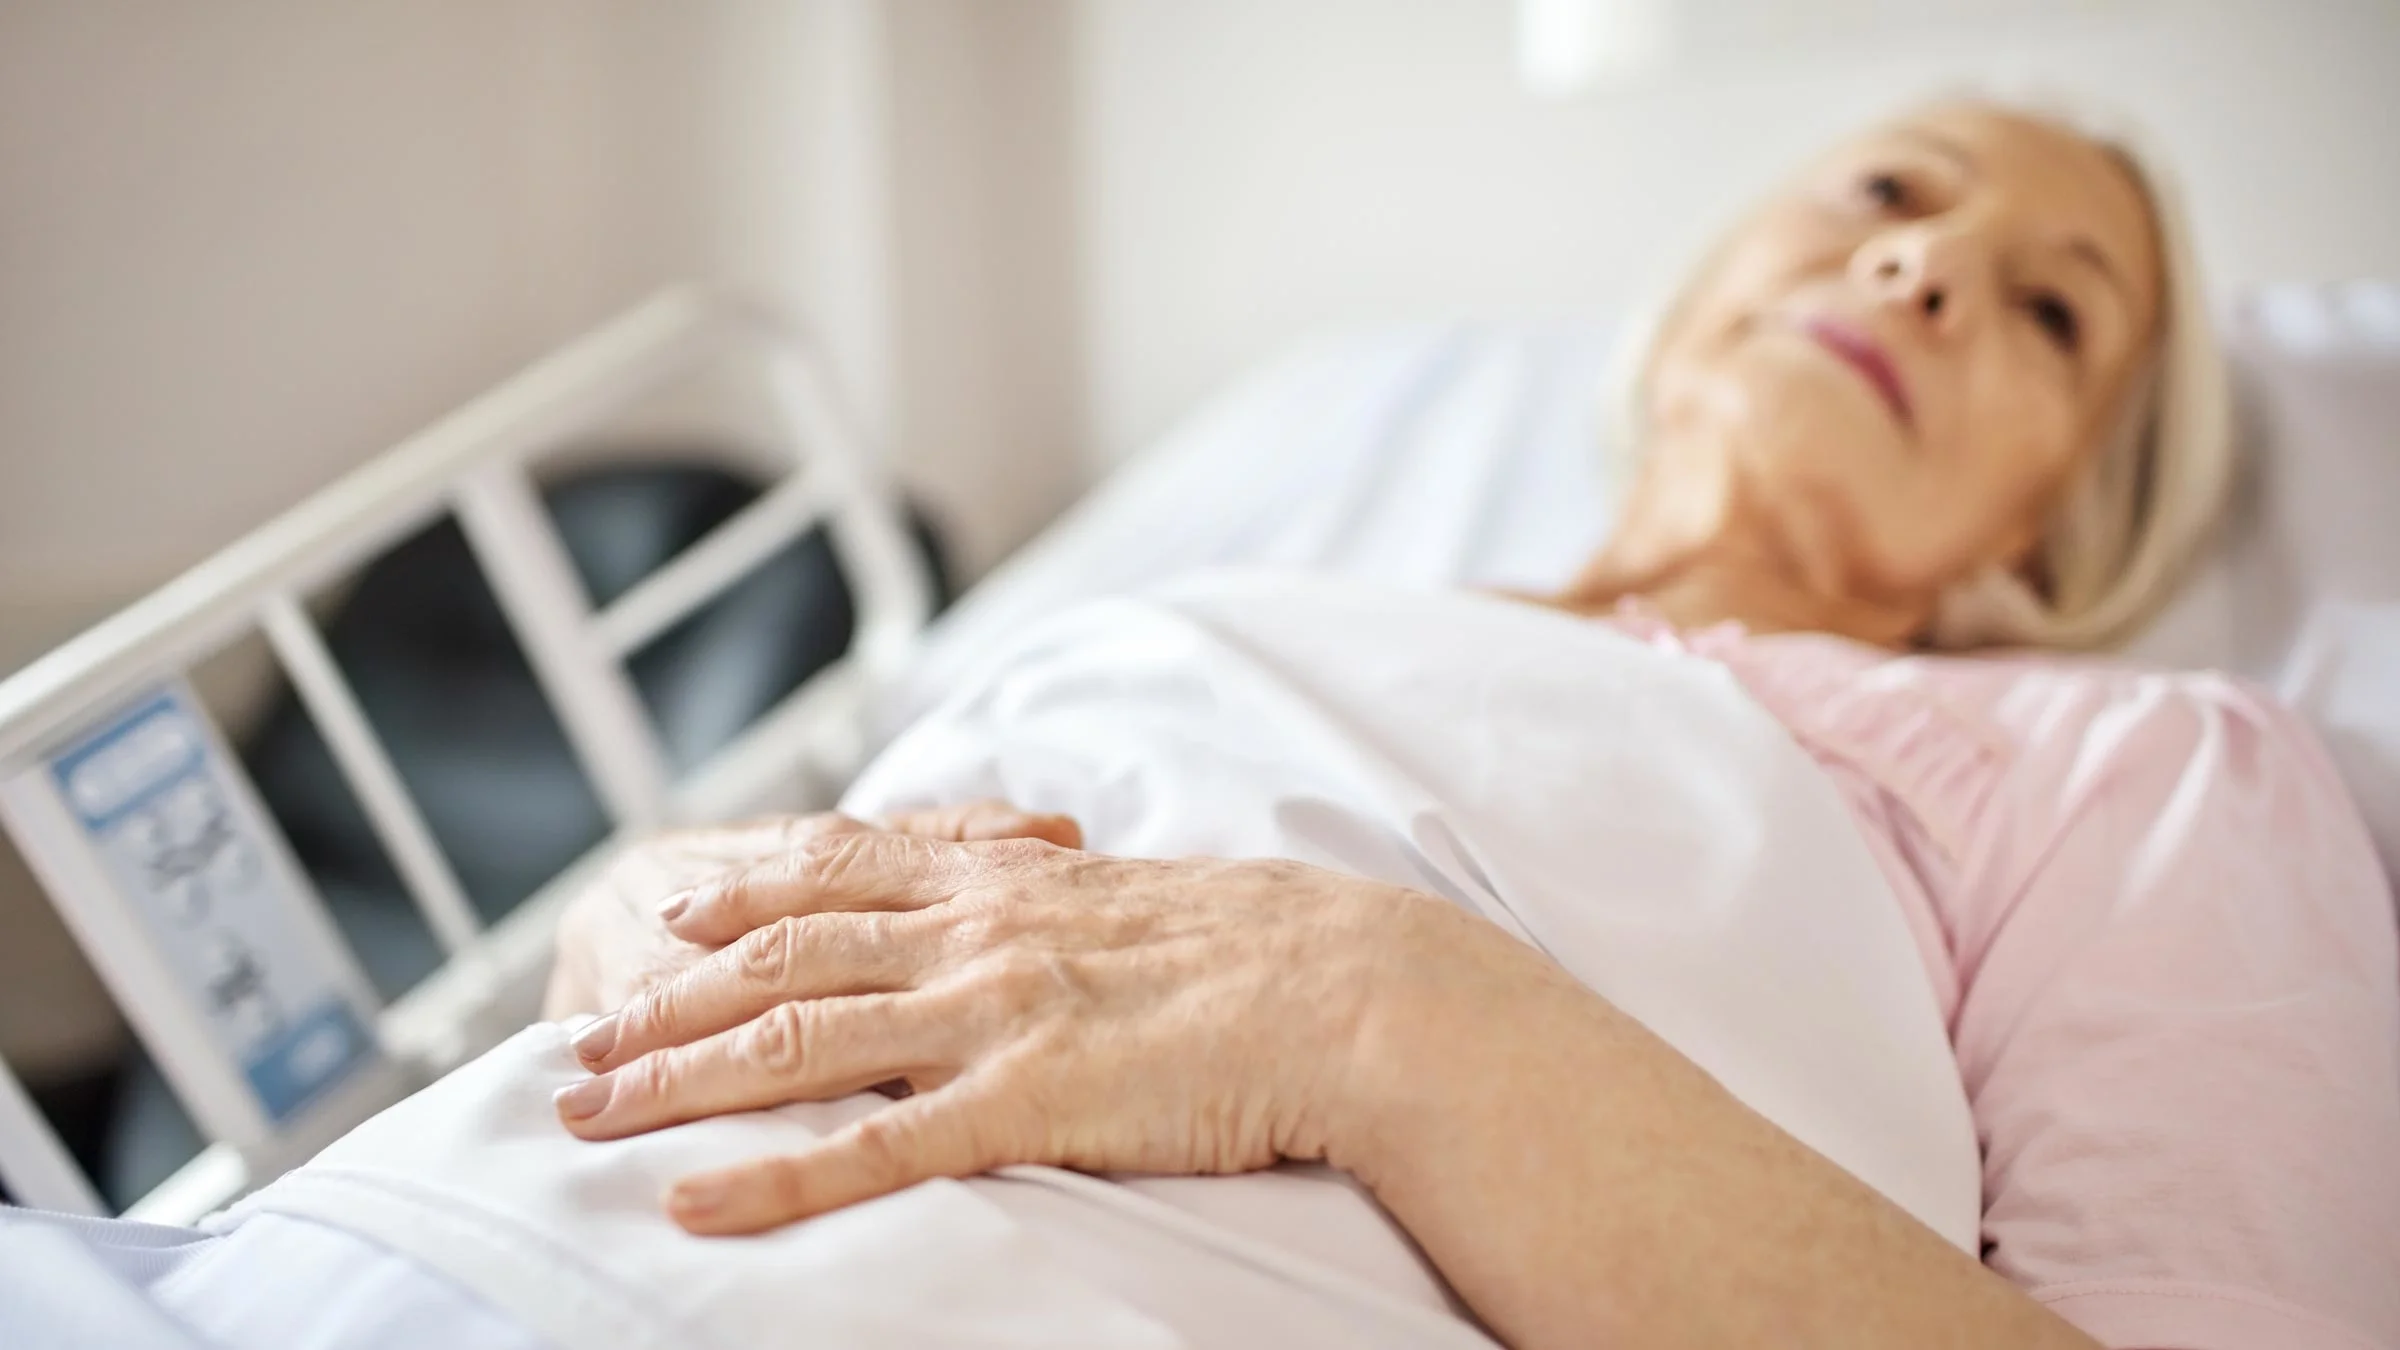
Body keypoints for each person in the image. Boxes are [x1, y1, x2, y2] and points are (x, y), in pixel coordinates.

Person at [6, 100, 2395, 1350]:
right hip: (321, 1263)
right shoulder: (1246, 584)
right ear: (1700, 311)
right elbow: (778, 912)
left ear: (2054, 532)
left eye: (2051, 312)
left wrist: (1376, 1015)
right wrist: (654, 909)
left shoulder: (2148, 773)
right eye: (1891, 192)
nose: (1928, 262)